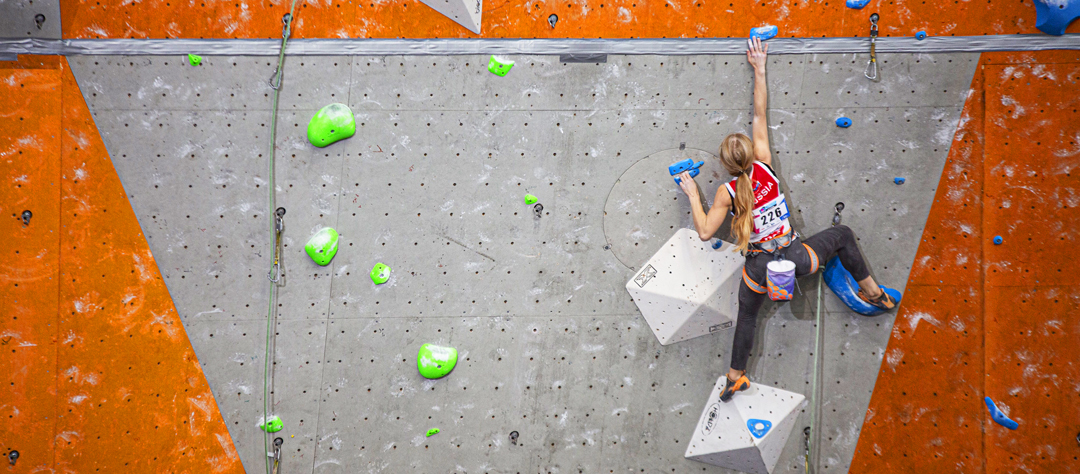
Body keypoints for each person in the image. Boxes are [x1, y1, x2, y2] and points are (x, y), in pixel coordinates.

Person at [675, 38, 898, 402]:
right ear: (750, 154)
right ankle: (876, 295)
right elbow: (759, 116)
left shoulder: (725, 193)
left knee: (748, 316)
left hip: (760, 268)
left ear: (725, 167)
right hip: (797, 258)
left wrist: (691, 195)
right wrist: (759, 68)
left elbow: (703, 231)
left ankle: (736, 376)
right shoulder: (764, 165)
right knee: (842, 234)